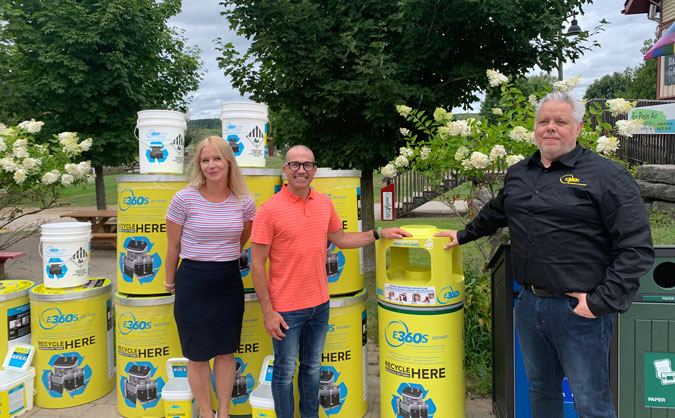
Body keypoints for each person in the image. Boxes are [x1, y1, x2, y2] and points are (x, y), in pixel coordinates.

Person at [435, 92, 655, 418]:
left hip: (579, 312)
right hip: (529, 305)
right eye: (544, 121)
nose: (550, 128)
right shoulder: (520, 173)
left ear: (578, 128)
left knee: (590, 402)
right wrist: (463, 234)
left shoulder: (607, 177)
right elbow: (496, 212)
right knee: (541, 391)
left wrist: (599, 303)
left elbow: (636, 248)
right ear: (535, 128)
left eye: (560, 122)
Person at [250, 145, 411, 418]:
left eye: (307, 165)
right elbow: (256, 263)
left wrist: (378, 233)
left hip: (319, 305)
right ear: (285, 170)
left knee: (312, 368)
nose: (301, 170)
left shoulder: (324, 203)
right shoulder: (269, 210)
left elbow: (342, 239)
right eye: (295, 165)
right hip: (286, 309)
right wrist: (268, 311)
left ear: (314, 170)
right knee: (285, 371)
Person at [165, 136, 256, 418]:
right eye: (205, 160)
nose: (211, 165)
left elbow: (242, 239)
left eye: (217, 159)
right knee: (198, 354)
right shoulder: (183, 198)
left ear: (228, 161)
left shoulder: (245, 201)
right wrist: (170, 283)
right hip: (192, 280)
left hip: (228, 281)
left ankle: (224, 411)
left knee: (226, 352)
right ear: (198, 164)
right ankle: (206, 412)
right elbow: (173, 247)